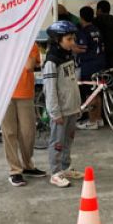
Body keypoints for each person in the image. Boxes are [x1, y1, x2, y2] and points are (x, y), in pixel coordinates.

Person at [43, 21, 85, 188]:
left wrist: (77, 105)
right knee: (57, 142)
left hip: (71, 107)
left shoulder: (68, 56)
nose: (72, 42)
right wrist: (55, 112)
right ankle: (55, 172)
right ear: (57, 40)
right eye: (69, 39)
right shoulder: (51, 62)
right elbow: (50, 89)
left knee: (68, 140)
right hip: (60, 111)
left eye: (73, 38)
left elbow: (72, 82)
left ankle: (66, 167)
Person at [2, 42, 46, 186]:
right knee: (9, 132)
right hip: (4, 92)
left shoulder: (31, 43)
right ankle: (15, 170)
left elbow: (29, 65)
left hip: (25, 92)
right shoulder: (1, 42)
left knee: (28, 132)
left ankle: (28, 165)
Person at [75, 6, 107, 130]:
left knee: (90, 94)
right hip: (100, 63)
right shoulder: (96, 30)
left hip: (89, 65)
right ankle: (98, 119)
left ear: (81, 17)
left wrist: (71, 47)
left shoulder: (84, 32)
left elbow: (83, 48)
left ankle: (92, 121)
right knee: (97, 92)